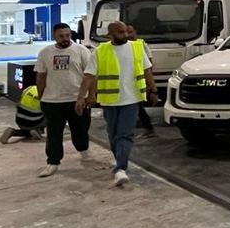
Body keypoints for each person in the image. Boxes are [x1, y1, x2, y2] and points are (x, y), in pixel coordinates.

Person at [85, 21, 157, 186]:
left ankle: (121, 168)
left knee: (125, 134)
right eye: (120, 32)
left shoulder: (137, 47)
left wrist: (153, 90)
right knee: (113, 135)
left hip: (132, 99)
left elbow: (147, 70)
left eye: (126, 32)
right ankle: (120, 161)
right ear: (110, 34)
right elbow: (91, 76)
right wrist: (89, 95)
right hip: (109, 101)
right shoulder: (100, 51)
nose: (125, 35)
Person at [35, 23, 97, 178]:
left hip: (77, 100)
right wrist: (41, 96)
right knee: (54, 133)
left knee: (80, 129)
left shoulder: (81, 51)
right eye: (61, 36)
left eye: (67, 35)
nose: (65, 38)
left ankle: (84, 151)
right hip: (52, 101)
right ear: (54, 36)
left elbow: (91, 75)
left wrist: (91, 95)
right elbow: (41, 76)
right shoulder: (45, 53)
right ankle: (53, 162)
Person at [124, 24, 156, 138]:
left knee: (137, 106)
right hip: (127, 82)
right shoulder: (124, 46)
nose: (128, 35)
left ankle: (147, 128)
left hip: (138, 82)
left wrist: (150, 84)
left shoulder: (141, 44)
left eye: (130, 32)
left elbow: (148, 65)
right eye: (126, 32)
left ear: (135, 32)